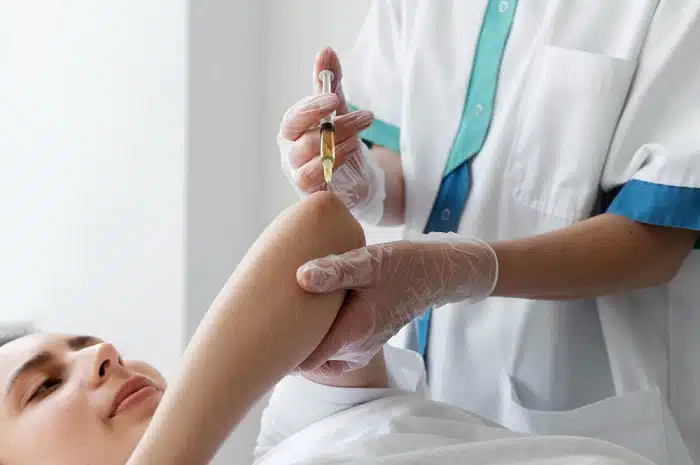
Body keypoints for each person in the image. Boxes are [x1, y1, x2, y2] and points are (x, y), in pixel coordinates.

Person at [277, 2, 700, 463]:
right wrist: (358, 176)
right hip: (430, 393)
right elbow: (408, 167)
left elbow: (656, 241)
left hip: (581, 399)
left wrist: (453, 270)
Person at [0, 192, 659, 465]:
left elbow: (321, 228)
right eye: (42, 386)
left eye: (85, 342)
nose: (104, 353)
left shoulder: (295, 426)